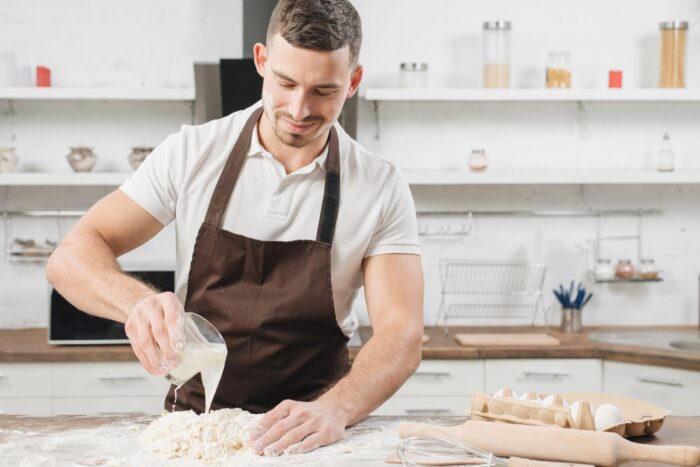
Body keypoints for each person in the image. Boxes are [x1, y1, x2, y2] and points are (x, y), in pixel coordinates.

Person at [46, 0, 424, 456]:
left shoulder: (380, 186)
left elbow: (400, 334)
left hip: (315, 439)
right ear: (261, 60)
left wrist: (337, 408)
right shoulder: (192, 153)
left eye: (324, 90)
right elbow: (70, 257)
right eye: (285, 83)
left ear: (353, 82)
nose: (299, 109)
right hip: (195, 436)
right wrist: (136, 303)